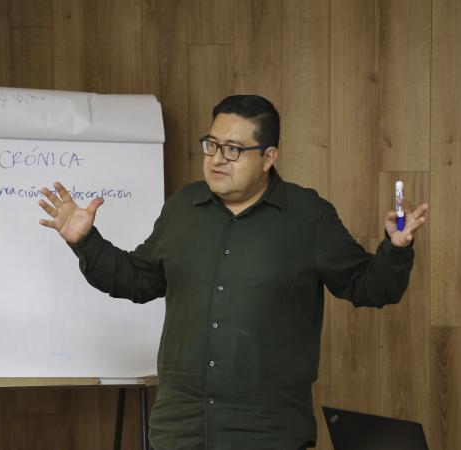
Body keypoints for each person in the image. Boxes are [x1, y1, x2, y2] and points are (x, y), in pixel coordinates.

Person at [38, 95, 428, 450]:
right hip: (180, 431)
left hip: (266, 434)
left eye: (233, 149)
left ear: (269, 157)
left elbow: (368, 286)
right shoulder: (182, 208)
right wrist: (86, 241)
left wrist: (396, 249)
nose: (217, 159)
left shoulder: (308, 216)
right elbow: (138, 280)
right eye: (211, 145)